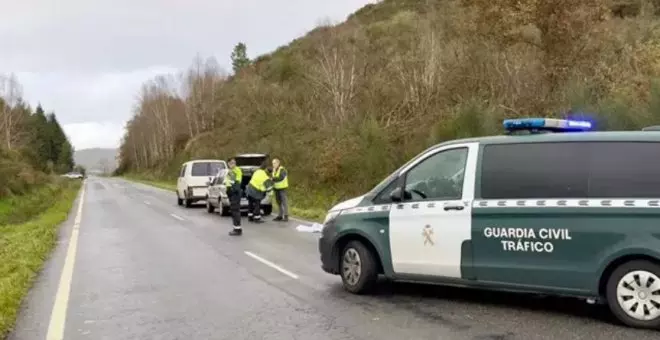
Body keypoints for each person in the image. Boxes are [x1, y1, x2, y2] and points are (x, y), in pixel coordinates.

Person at [226, 158, 243, 236]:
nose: (233, 164)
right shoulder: (230, 171)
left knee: (235, 210)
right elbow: (227, 181)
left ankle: (237, 229)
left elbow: (236, 182)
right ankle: (236, 228)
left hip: (235, 193)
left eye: (234, 163)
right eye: (231, 163)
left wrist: (232, 190)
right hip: (232, 193)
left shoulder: (236, 170)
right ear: (228, 164)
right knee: (233, 210)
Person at [271, 158, 289, 222]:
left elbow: (281, 178)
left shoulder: (282, 169)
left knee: (284, 202)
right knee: (278, 202)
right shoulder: (274, 170)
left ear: (278, 163)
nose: (273, 164)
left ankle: (286, 215)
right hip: (276, 188)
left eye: (274, 163)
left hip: (282, 188)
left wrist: (273, 179)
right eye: (273, 163)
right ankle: (280, 215)